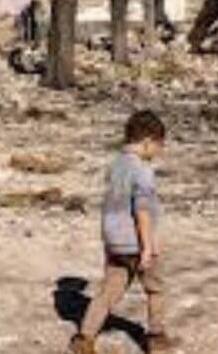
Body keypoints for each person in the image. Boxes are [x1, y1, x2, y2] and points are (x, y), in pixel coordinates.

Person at [70, 111, 177, 354]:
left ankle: (84, 338)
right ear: (148, 141)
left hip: (114, 242)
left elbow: (110, 206)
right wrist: (147, 247)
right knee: (155, 289)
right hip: (137, 243)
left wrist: (108, 243)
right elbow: (142, 211)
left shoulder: (115, 165)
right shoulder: (143, 170)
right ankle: (156, 338)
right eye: (159, 146)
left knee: (108, 292)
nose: (159, 151)